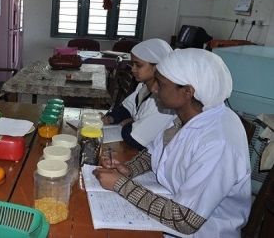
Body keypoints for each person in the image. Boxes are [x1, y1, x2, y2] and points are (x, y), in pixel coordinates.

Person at [94, 49, 251, 237]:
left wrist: (121, 185)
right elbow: (155, 151)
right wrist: (130, 169)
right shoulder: (186, 115)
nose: (153, 89)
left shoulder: (218, 142)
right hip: (172, 203)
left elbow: (184, 219)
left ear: (187, 91)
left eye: (160, 83)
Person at [103, 39, 175, 150]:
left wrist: (131, 122)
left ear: (157, 67)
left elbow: (134, 138)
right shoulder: (144, 86)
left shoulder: (166, 100)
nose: (133, 69)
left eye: (138, 65)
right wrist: (110, 118)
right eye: (132, 64)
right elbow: (127, 108)